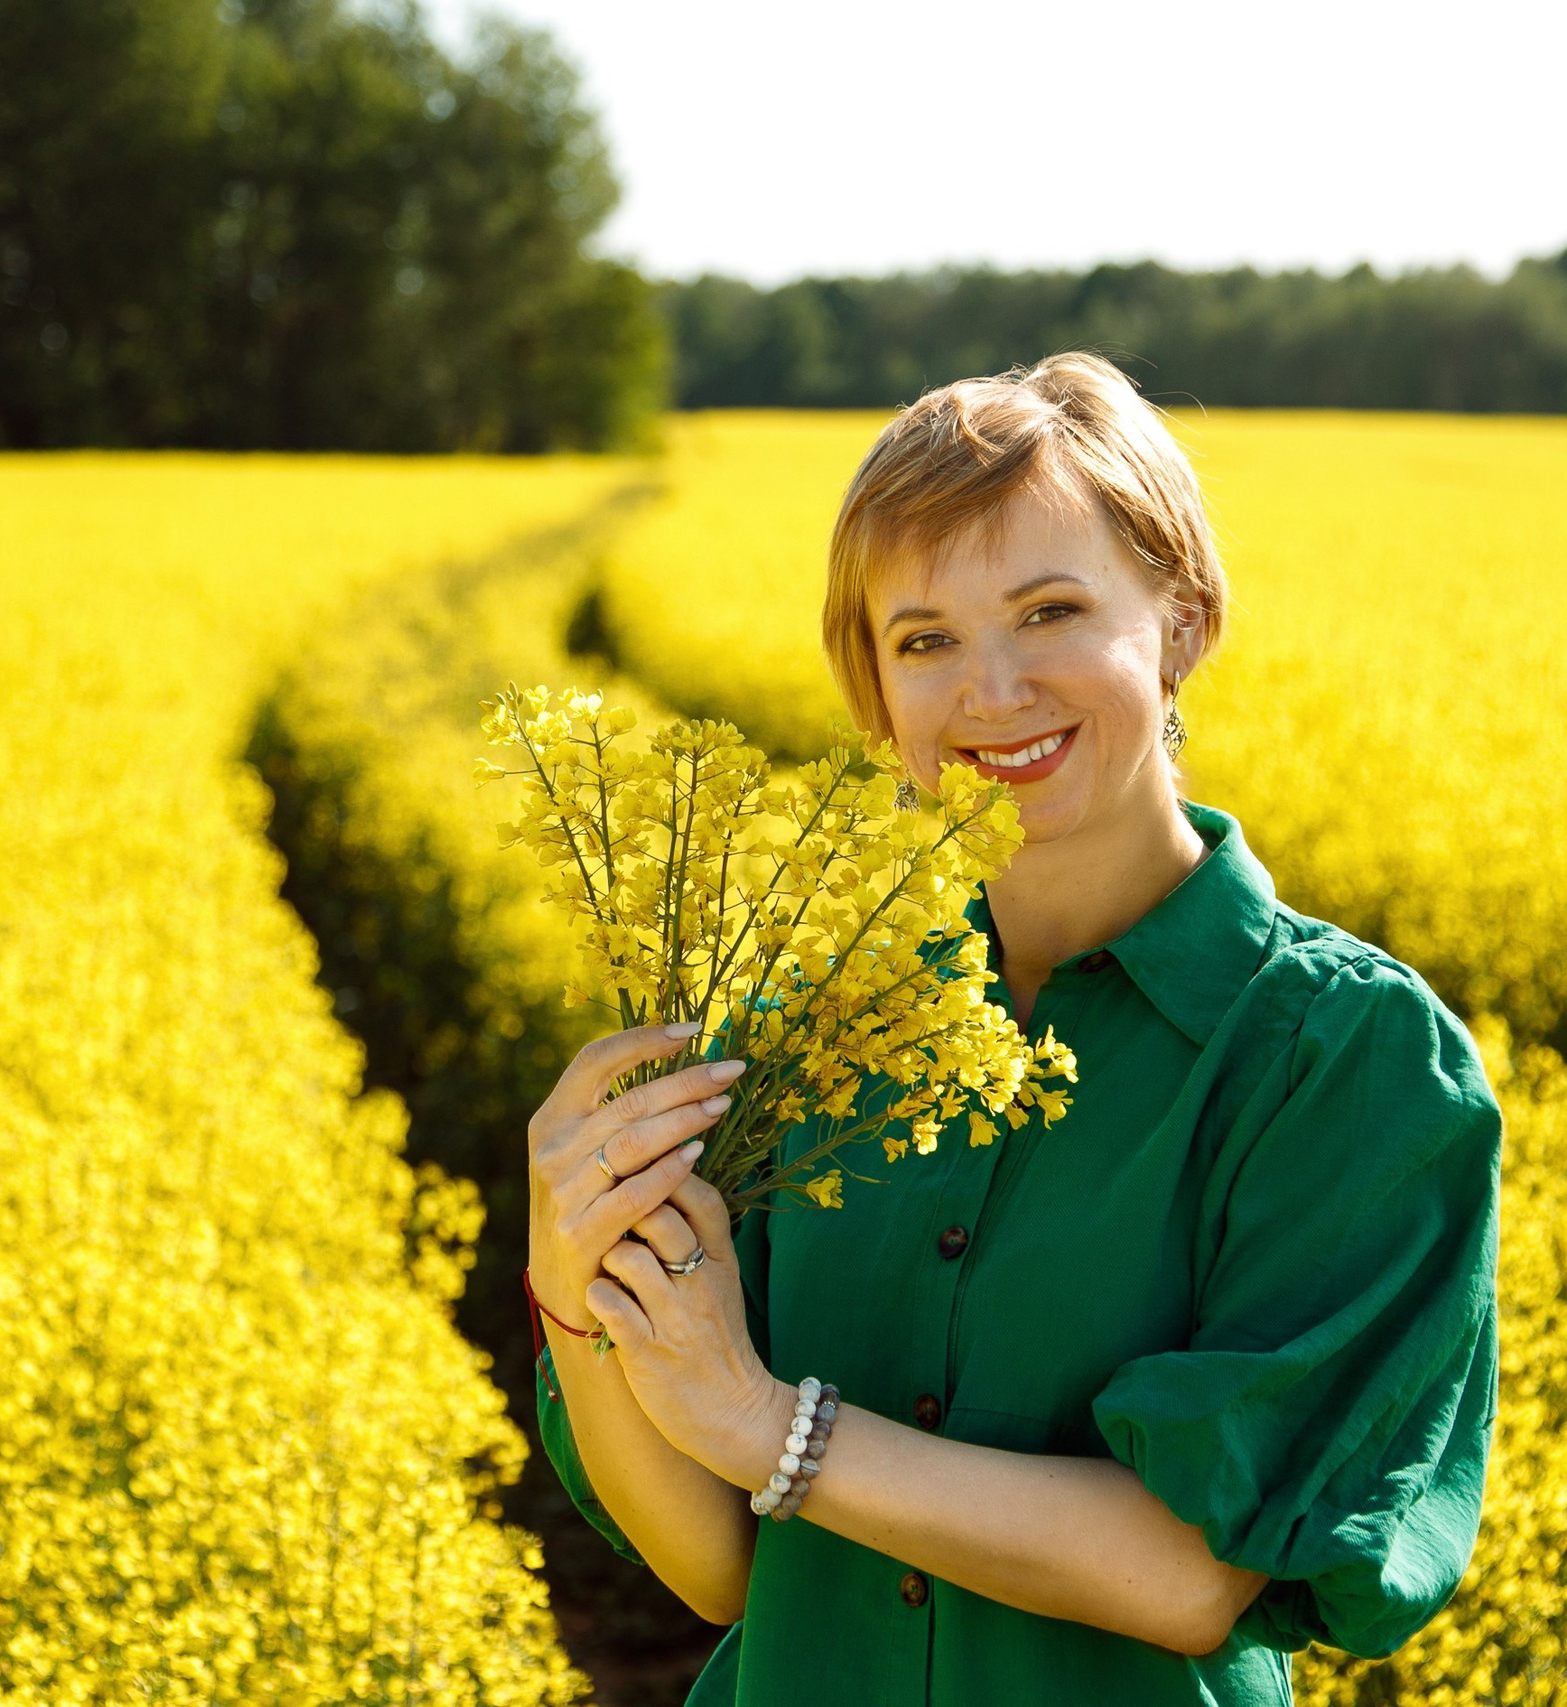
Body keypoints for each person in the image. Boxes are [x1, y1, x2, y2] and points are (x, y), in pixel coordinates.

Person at [518, 352, 1502, 1704]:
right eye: (924, 640)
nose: (990, 691)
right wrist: (571, 1271)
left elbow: (1188, 1576)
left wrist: (775, 1427)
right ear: (875, 690)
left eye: (1050, 612)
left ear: (1183, 621)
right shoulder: (810, 1028)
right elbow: (725, 1570)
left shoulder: (1347, 1062)